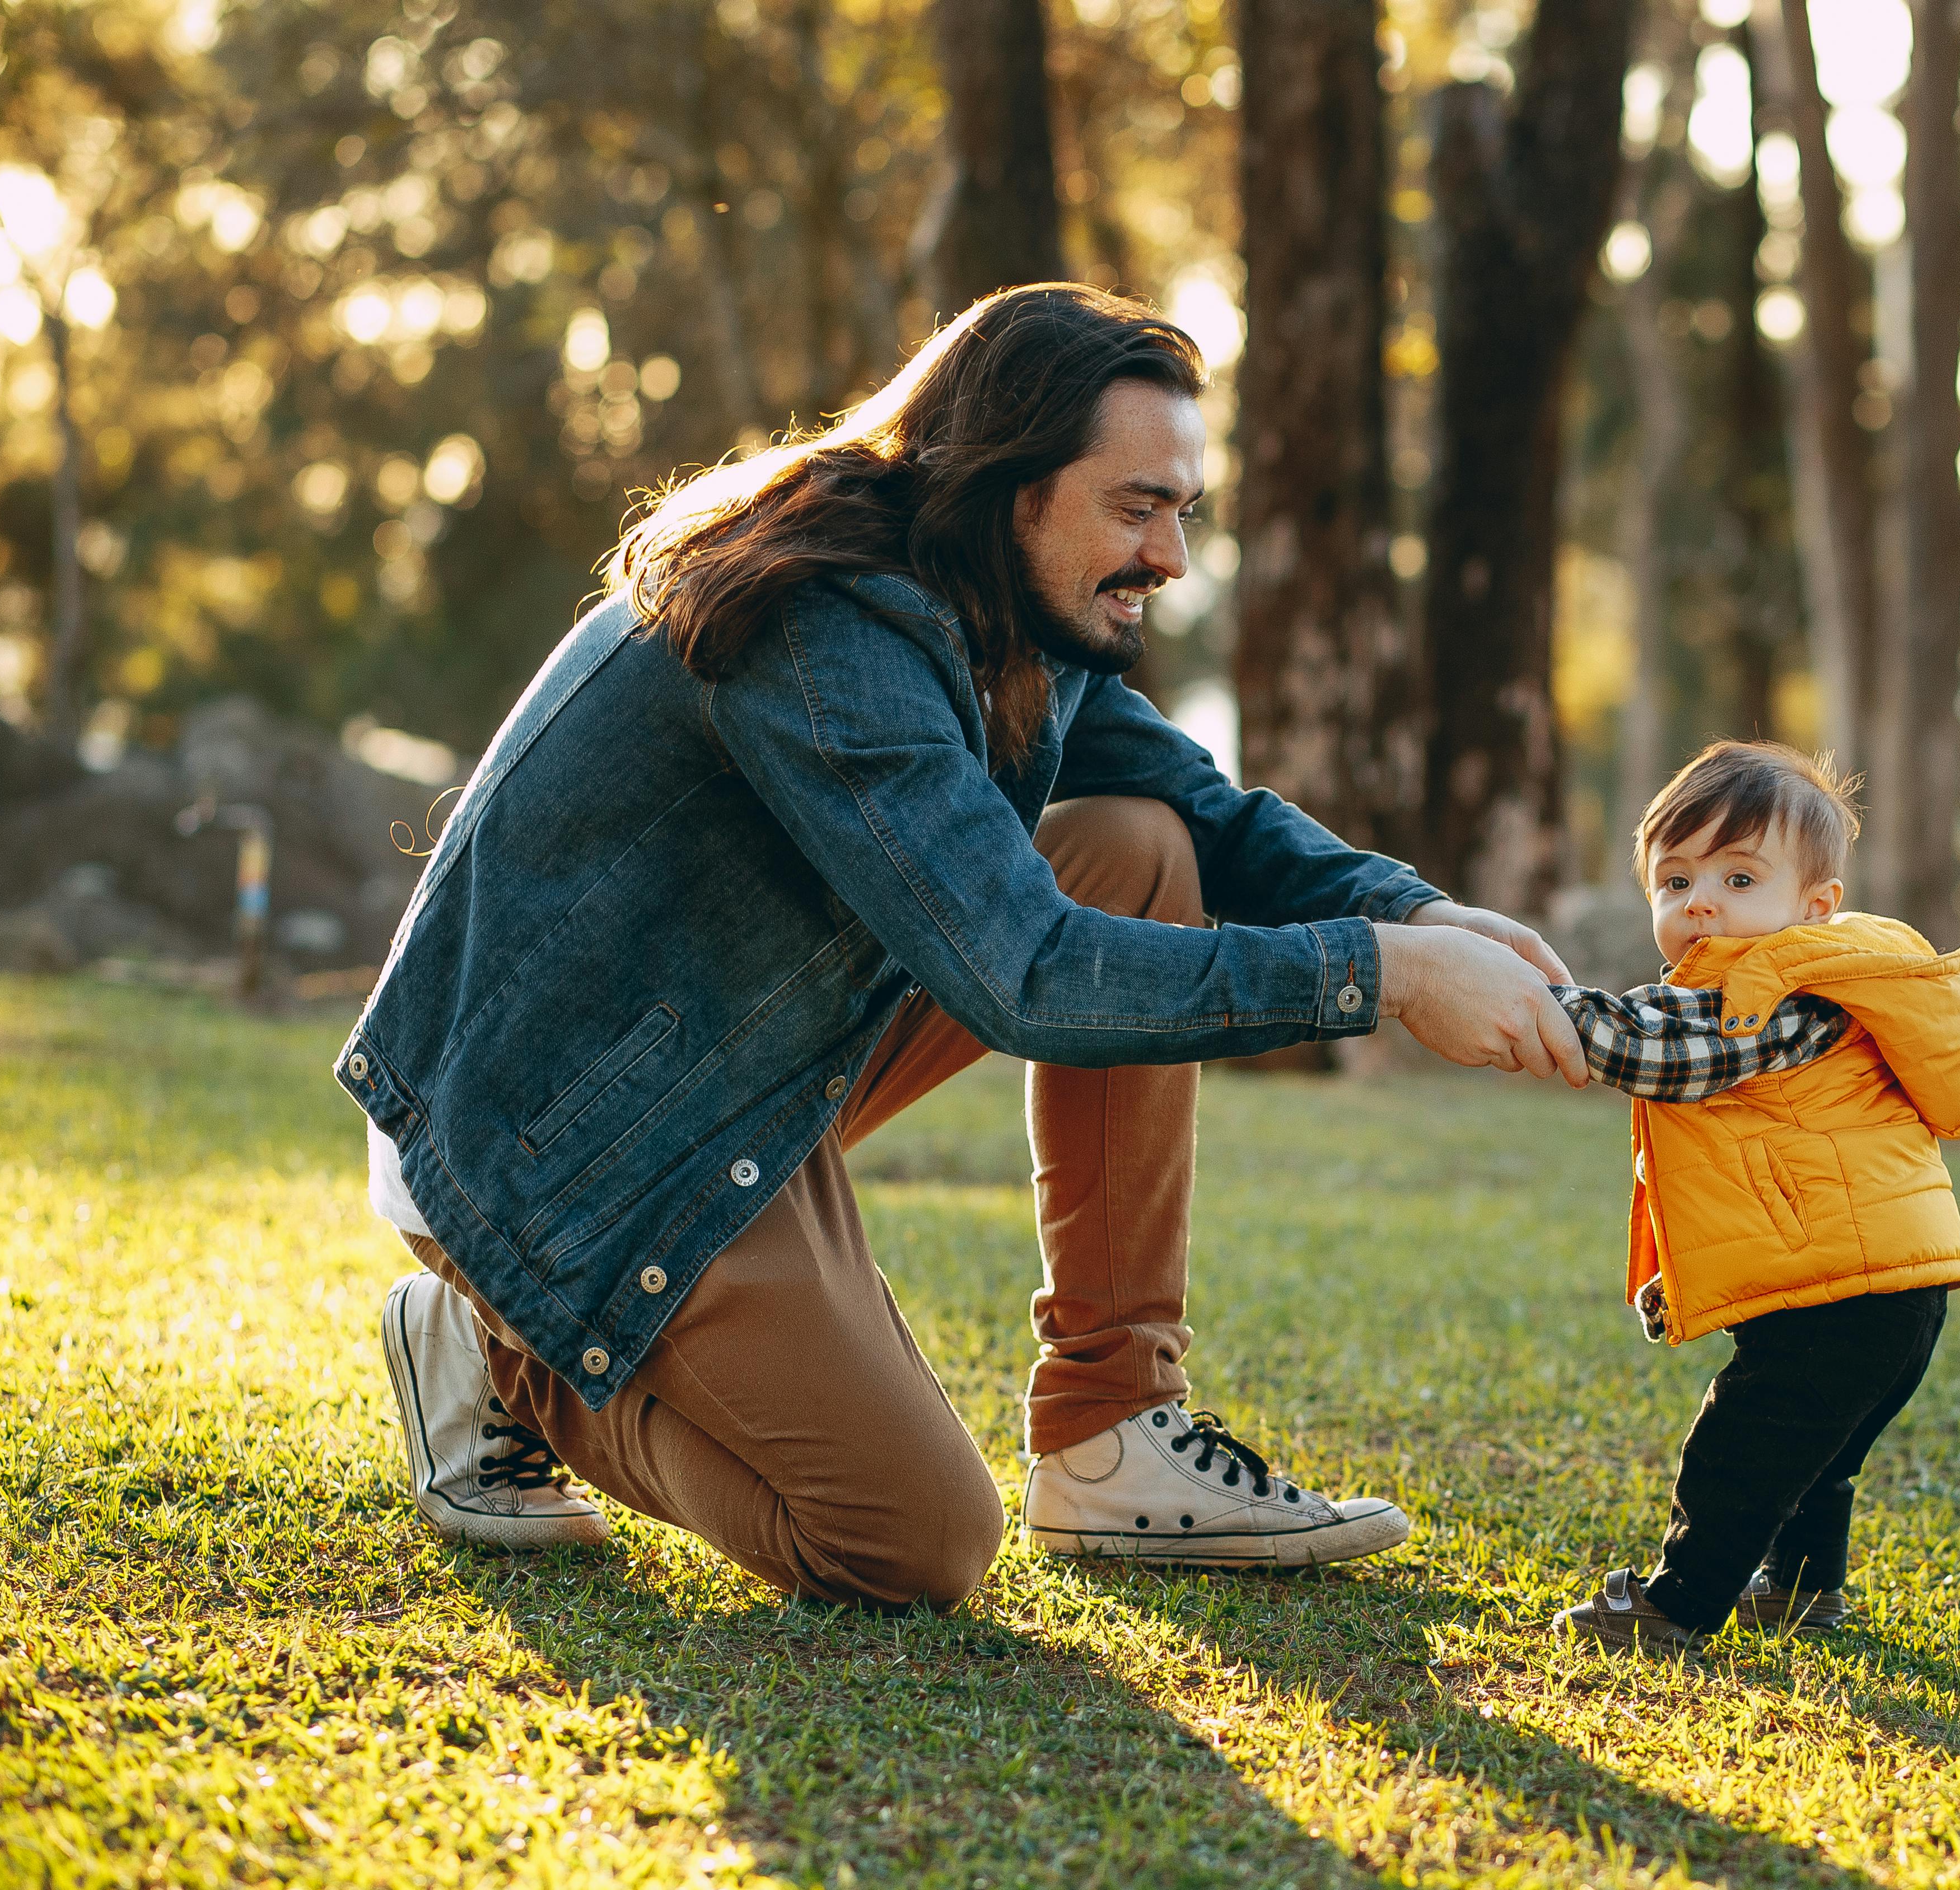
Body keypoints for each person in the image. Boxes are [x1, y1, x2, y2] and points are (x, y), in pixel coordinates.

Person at [347, 283, 1592, 1612]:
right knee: (912, 1538)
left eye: (1183, 510)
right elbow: (1029, 973)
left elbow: (1210, 814)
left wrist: (1416, 912)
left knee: (1140, 839)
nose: (1170, 558)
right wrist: (1382, 978)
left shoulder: (1007, 606)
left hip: (729, 1057)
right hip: (556, 1134)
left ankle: (1110, 1432)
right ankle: (496, 1345)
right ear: (1009, 485)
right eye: (1136, 507)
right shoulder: (823, 626)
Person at [1539, 740, 1960, 1655]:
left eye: (1739, 878)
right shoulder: (1778, 983)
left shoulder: (1786, 992)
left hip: (1846, 1289)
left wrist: (1539, 1007)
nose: (1700, 901)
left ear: (1813, 907)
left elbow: (1653, 1050)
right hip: (1883, 1287)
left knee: (1739, 1452)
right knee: (1813, 1462)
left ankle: (1676, 1607)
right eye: (1675, 880)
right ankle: (1801, 1591)